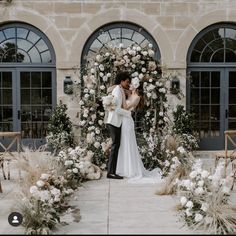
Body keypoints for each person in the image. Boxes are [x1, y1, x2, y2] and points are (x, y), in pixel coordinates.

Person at [116, 78, 163, 183]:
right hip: (123, 121)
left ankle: (130, 170)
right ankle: (123, 168)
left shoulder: (137, 97)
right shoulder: (130, 94)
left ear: (136, 86)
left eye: (132, 84)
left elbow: (126, 107)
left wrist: (123, 96)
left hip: (127, 121)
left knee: (128, 144)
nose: (130, 85)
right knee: (123, 144)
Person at [106, 71, 132, 179]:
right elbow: (116, 109)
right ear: (121, 81)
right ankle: (111, 172)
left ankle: (112, 171)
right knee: (115, 146)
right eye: (127, 82)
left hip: (116, 122)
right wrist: (128, 113)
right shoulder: (117, 90)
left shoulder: (120, 89)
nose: (128, 84)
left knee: (116, 146)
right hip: (114, 121)